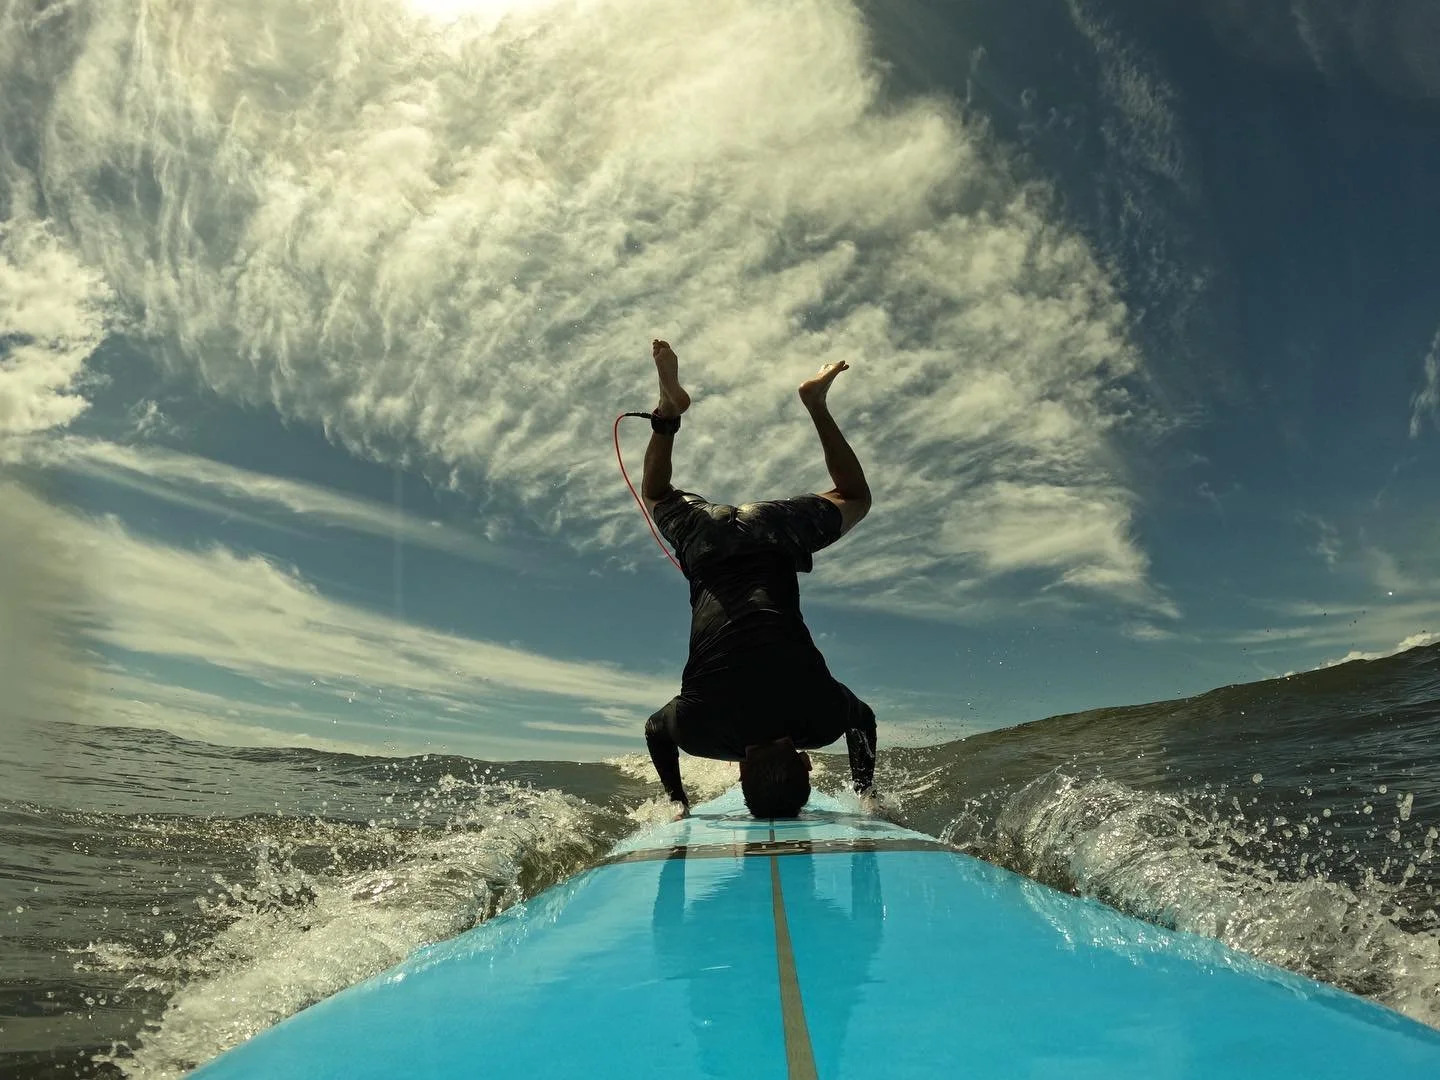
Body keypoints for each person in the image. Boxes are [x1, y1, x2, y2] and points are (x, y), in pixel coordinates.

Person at [640, 338, 879, 820]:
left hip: (772, 534)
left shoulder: (821, 716)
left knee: (855, 497)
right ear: (744, 774)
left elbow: (864, 721)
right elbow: (653, 731)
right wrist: (676, 803)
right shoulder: (700, 730)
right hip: (706, 541)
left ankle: (815, 402)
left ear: (806, 764)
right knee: (656, 493)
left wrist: (866, 794)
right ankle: (667, 415)